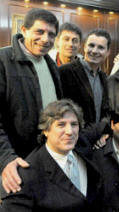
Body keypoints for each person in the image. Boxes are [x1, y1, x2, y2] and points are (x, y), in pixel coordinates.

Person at [0, 8, 63, 194]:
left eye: (51, 35)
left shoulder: (51, 64)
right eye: (39, 32)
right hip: (15, 162)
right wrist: (5, 158)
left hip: (47, 158)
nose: (46, 39)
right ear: (24, 30)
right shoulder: (3, 60)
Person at [0, 100, 103, 211]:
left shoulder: (83, 148)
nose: (69, 131)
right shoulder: (25, 176)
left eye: (74, 124)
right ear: (46, 130)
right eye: (61, 124)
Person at [59, 29, 110, 125]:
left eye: (101, 47)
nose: (94, 51)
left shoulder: (104, 78)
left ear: (107, 52)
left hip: (97, 136)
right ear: (84, 47)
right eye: (91, 46)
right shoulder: (64, 72)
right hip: (73, 136)